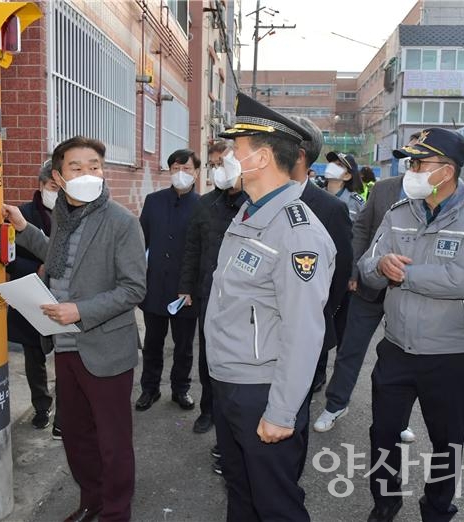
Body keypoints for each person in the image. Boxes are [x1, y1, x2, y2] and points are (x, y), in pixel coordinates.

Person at [1, 136, 146, 522]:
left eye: (94, 166)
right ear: (59, 177)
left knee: (113, 442)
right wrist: (23, 228)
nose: (88, 173)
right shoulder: (65, 215)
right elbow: (60, 257)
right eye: (76, 168)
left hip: (105, 348)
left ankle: (116, 513)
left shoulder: (122, 222)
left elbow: (134, 288)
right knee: (78, 438)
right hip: (66, 347)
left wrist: (79, 310)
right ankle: (91, 503)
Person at [206, 92, 336, 521]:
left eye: (234, 149)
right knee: (241, 496)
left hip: (262, 390)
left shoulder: (297, 232)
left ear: (261, 158)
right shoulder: (247, 214)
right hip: (230, 381)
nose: (225, 158)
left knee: (276, 505)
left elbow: (304, 331)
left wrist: (282, 411)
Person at [358, 128, 464, 522]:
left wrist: (403, 273)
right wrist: (379, 266)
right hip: (397, 348)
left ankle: (437, 507)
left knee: (447, 442)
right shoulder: (398, 213)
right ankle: (385, 502)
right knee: (383, 434)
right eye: (411, 163)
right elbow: (369, 267)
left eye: (419, 163)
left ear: (447, 170)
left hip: (451, 355)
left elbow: (463, 281)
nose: (412, 170)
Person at [313, 134, 422, 445]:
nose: (413, 163)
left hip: (411, 289)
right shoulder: (385, 189)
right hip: (369, 284)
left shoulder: (438, 195)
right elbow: (361, 228)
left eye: (420, 157)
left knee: (403, 358)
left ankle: (398, 420)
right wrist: (355, 269)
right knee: (350, 349)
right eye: (410, 156)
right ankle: (336, 405)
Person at [178, 141, 247, 438]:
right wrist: (186, 288)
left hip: (244, 298)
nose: (219, 169)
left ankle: (234, 414)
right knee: (209, 357)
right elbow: (191, 249)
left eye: (225, 163)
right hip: (209, 294)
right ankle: (208, 410)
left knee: (239, 358)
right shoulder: (205, 204)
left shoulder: (255, 203)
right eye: (215, 164)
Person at [288, 115, 354, 394]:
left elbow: (338, 275)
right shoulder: (251, 200)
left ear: (299, 156)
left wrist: (318, 316)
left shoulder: (330, 208)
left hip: (304, 328)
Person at [135, 149, 201, 411]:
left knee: (184, 346)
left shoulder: (202, 206)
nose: (180, 174)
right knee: (153, 343)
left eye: (186, 168)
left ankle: (180, 389)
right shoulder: (153, 201)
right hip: (155, 287)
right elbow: (142, 242)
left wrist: (192, 287)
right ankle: (149, 390)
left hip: (186, 292)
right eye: (175, 168)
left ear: (196, 172)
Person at [5, 159, 62, 436]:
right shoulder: (22, 215)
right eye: (53, 186)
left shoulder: (72, 214)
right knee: (34, 355)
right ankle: (41, 407)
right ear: (41, 184)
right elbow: (9, 260)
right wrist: (36, 269)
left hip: (63, 297)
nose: (58, 193)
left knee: (66, 355)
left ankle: (64, 411)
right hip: (31, 294)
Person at [323, 152, 365, 221]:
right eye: (332, 163)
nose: (332, 166)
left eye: (339, 165)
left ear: (347, 176)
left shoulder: (356, 203)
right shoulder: (314, 196)